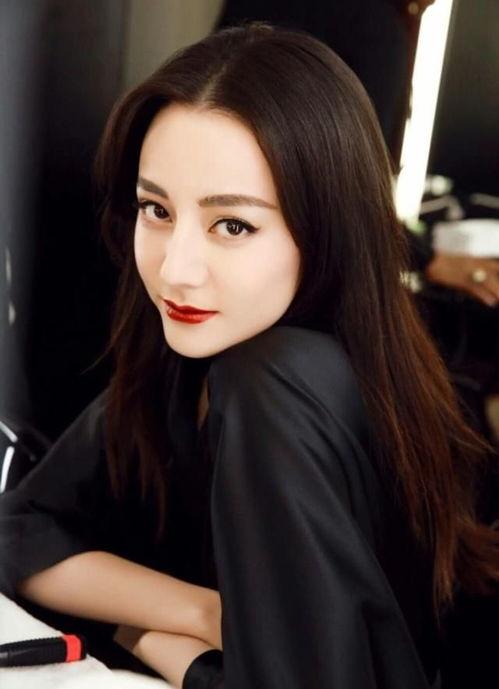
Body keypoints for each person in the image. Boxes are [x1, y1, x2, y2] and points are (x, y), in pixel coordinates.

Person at [1, 22, 498, 689]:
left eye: (232, 224)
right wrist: (206, 612)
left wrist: (147, 637)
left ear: (326, 230)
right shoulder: (193, 359)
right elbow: (20, 530)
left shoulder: (274, 380)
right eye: (156, 209)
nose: (175, 269)